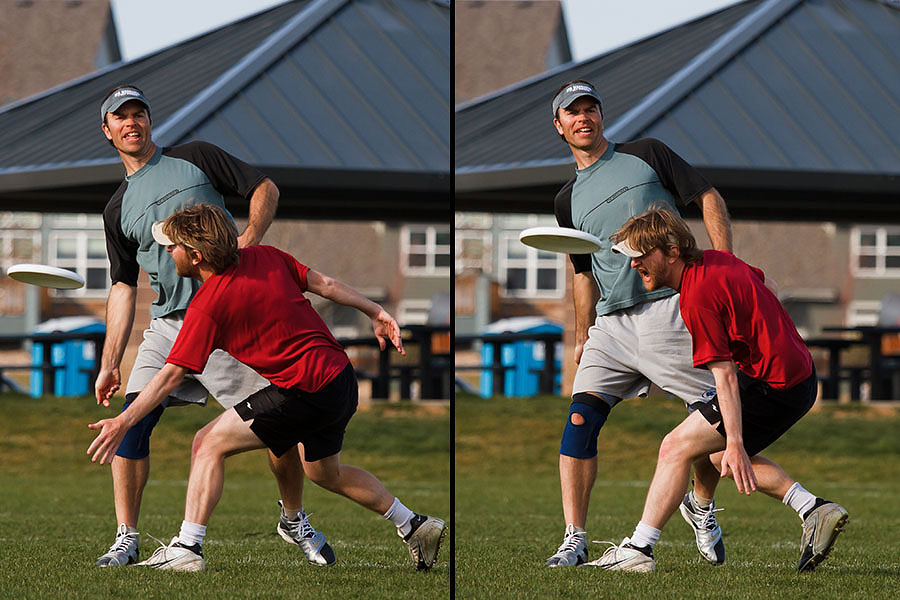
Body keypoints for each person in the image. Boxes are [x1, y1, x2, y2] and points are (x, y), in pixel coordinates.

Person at [87, 203, 447, 572]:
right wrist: (375, 311)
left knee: (207, 442)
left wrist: (123, 420)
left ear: (195, 256)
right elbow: (324, 284)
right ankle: (413, 524)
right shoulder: (266, 256)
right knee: (325, 473)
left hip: (303, 390)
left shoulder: (207, 305)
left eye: (172, 245)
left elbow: (169, 375)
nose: (166, 251)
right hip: (340, 380)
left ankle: (188, 547)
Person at [94, 85, 333, 568]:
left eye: (138, 113)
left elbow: (266, 188)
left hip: (228, 325)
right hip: (167, 327)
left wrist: (249, 236)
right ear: (108, 131)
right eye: (121, 118)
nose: (131, 122)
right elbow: (122, 288)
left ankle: (293, 518)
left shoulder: (196, 156)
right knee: (132, 426)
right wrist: (109, 362)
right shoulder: (116, 209)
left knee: (279, 430)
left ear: (150, 121)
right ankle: (127, 537)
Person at [584, 208, 848, 572]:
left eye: (641, 256)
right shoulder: (717, 261)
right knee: (712, 457)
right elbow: (766, 286)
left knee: (676, 447)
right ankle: (812, 508)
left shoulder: (696, 296)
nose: (633, 266)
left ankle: (639, 550)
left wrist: (736, 441)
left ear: (672, 251)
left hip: (774, 385)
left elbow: (723, 374)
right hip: (795, 375)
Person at [545, 80, 734, 567]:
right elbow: (582, 275)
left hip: (673, 307)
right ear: (559, 125)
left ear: (602, 117)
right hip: (610, 325)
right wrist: (581, 337)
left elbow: (707, 196)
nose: (583, 118)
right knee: (579, 422)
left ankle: (703, 506)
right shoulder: (566, 200)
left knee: (709, 414)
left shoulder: (647, 152)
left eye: (591, 109)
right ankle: (574, 538)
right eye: (573, 112)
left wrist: (725, 266)